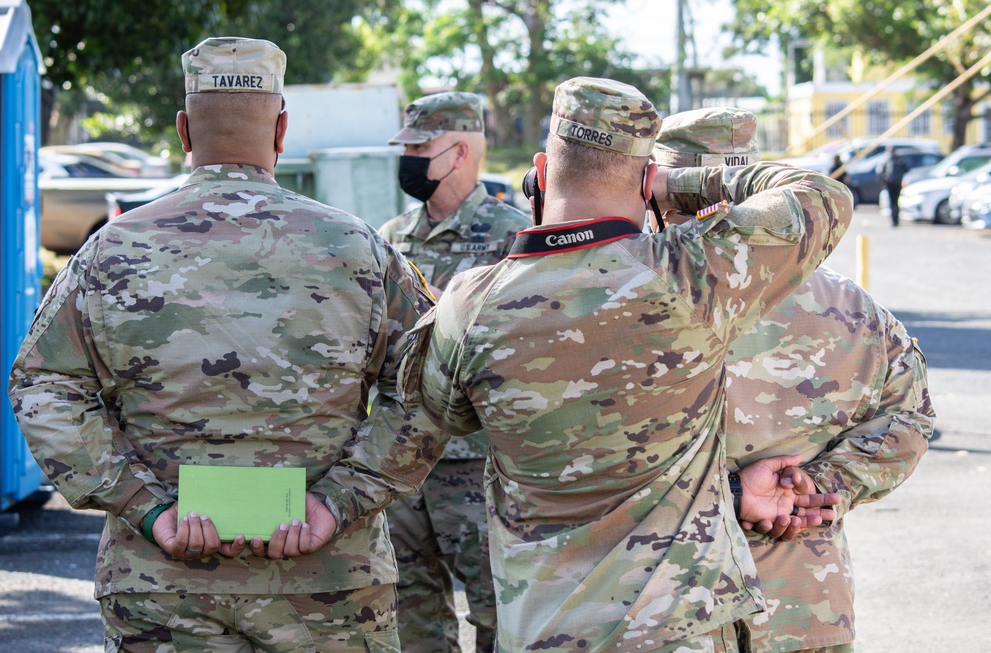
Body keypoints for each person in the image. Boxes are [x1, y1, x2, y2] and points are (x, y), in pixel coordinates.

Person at [8, 36, 446, 652]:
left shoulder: (111, 251)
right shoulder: (358, 250)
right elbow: (433, 384)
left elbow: (44, 385)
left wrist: (146, 505)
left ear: (184, 130)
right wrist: (340, 500)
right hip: (326, 586)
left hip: (161, 584)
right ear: (282, 129)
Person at [400, 78, 853, 652]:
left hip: (543, 632)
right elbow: (821, 197)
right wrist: (688, 183)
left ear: (540, 170)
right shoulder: (691, 274)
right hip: (675, 632)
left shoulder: (471, 299)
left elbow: (438, 413)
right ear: (647, 180)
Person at [655, 108, 936, 653]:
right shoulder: (849, 303)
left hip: (666, 609)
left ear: (662, 188)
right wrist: (824, 485)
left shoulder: (625, 296)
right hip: (805, 606)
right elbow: (912, 414)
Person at [379, 92, 530, 653]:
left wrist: (456, 311)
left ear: (460, 151)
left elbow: (527, 345)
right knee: (410, 606)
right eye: (407, 147)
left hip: (477, 462)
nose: (409, 158)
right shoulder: (391, 236)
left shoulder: (513, 236)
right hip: (403, 456)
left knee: (498, 608)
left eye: (421, 147)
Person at [876, 145, 909, 226]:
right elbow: (907, 169)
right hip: (898, 183)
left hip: (890, 183)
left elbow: (879, 172)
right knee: (896, 201)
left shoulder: (886, 159)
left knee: (891, 202)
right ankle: (896, 219)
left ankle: (893, 220)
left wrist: (882, 181)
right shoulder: (899, 159)